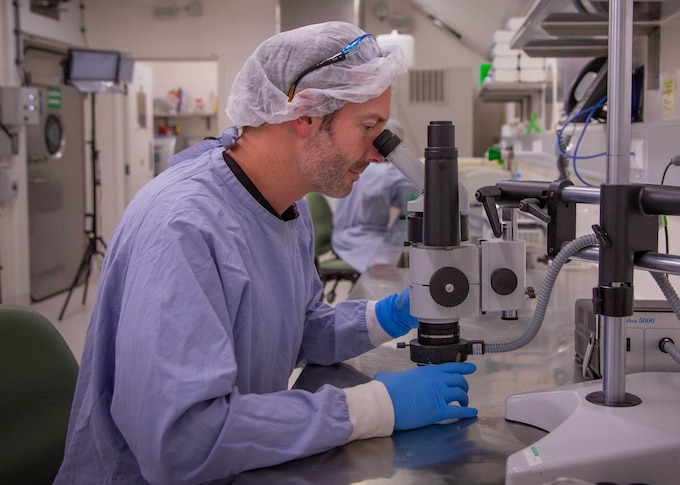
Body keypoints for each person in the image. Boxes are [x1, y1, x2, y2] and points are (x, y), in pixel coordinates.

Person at [54, 21, 477, 485]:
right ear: (306, 116)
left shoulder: (283, 206)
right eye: (370, 127)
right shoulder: (183, 228)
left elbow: (293, 332)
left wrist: (390, 314)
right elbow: (182, 441)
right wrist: (374, 406)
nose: (379, 154)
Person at [331, 119, 420, 272]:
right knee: (393, 263)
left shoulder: (355, 167)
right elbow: (412, 196)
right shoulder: (386, 174)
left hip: (341, 236)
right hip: (363, 240)